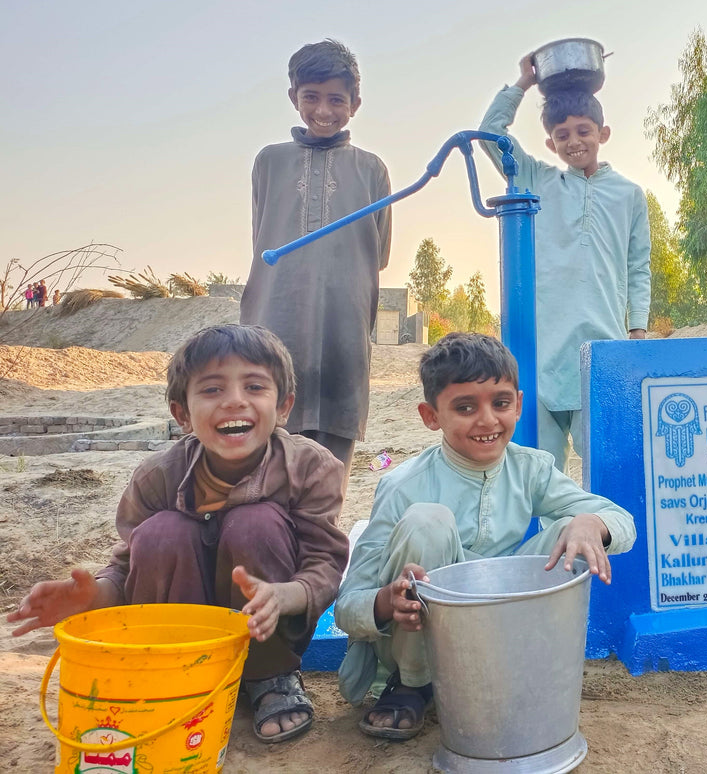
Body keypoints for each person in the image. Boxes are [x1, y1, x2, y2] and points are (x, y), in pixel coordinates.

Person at [7, 324, 350, 743]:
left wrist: (283, 594)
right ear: (181, 414)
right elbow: (126, 567)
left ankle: (269, 677)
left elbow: (324, 565)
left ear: (283, 407)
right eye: (211, 390)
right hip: (184, 628)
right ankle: (180, 674)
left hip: (266, 624)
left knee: (255, 523)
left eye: (255, 386)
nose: (235, 400)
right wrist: (93, 598)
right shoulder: (156, 476)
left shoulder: (312, 468)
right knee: (161, 533)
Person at [335, 332, 636, 740]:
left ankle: (526, 672)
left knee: (574, 527)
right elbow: (348, 606)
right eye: (464, 407)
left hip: (498, 632)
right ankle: (413, 684)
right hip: (418, 642)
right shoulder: (402, 486)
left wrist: (590, 524)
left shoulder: (532, 469)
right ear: (430, 416)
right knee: (429, 522)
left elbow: (622, 521)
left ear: (519, 405)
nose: (487, 420)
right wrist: (388, 601)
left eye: (500, 403)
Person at [478, 54, 651, 474]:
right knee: (538, 471)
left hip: (602, 350)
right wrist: (521, 83)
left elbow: (638, 266)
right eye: (562, 134)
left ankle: (603, 541)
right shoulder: (537, 179)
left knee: (606, 469)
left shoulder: (629, 194)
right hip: (543, 355)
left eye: (583, 131)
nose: (574, 141)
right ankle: (543, 543)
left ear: (603, 133)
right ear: (550, 143)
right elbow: (488, 135)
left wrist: (638, 330)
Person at [240, 38, 391, 495]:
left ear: (355, 104)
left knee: (331, 454)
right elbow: (262, 234)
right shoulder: (269, 162)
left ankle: (320, 551)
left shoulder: (373, 170)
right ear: (294, 97)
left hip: (342, 329)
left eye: (336, 100)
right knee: (267, 435)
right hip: (276, 320)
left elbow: (378, 253)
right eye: (312, 97)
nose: (323, 110)